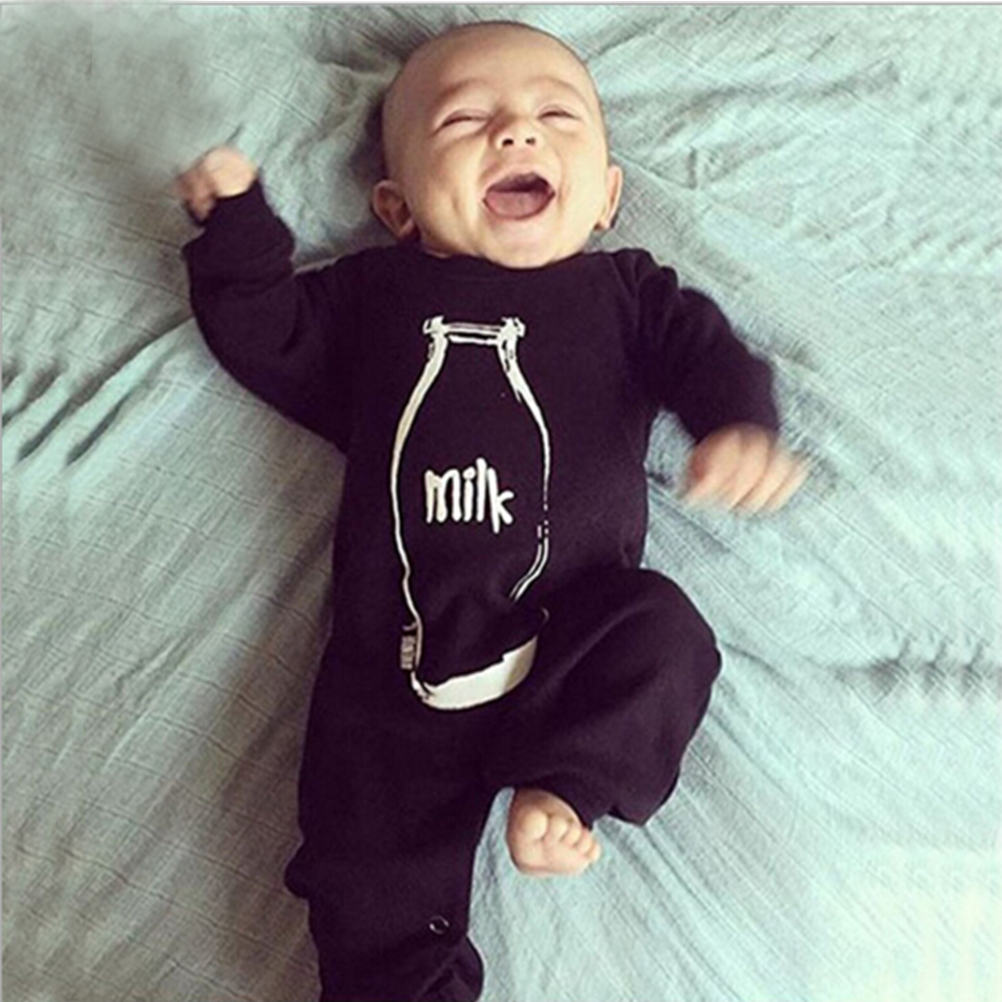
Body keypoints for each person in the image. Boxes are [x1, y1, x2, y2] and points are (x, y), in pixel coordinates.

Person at [175, 19, 807, 1002]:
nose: (516, 132)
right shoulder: (376, 298)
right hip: (398, 670)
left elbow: (706, 352)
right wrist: (238, 236)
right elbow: (272, 334)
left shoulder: (625, 293)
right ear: (397, 206)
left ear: (605, 197)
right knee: (363, 874)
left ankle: (568, 784)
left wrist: (736, 423)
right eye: (464, 119)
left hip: (575, 635)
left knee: (668, 635)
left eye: (557, 115)